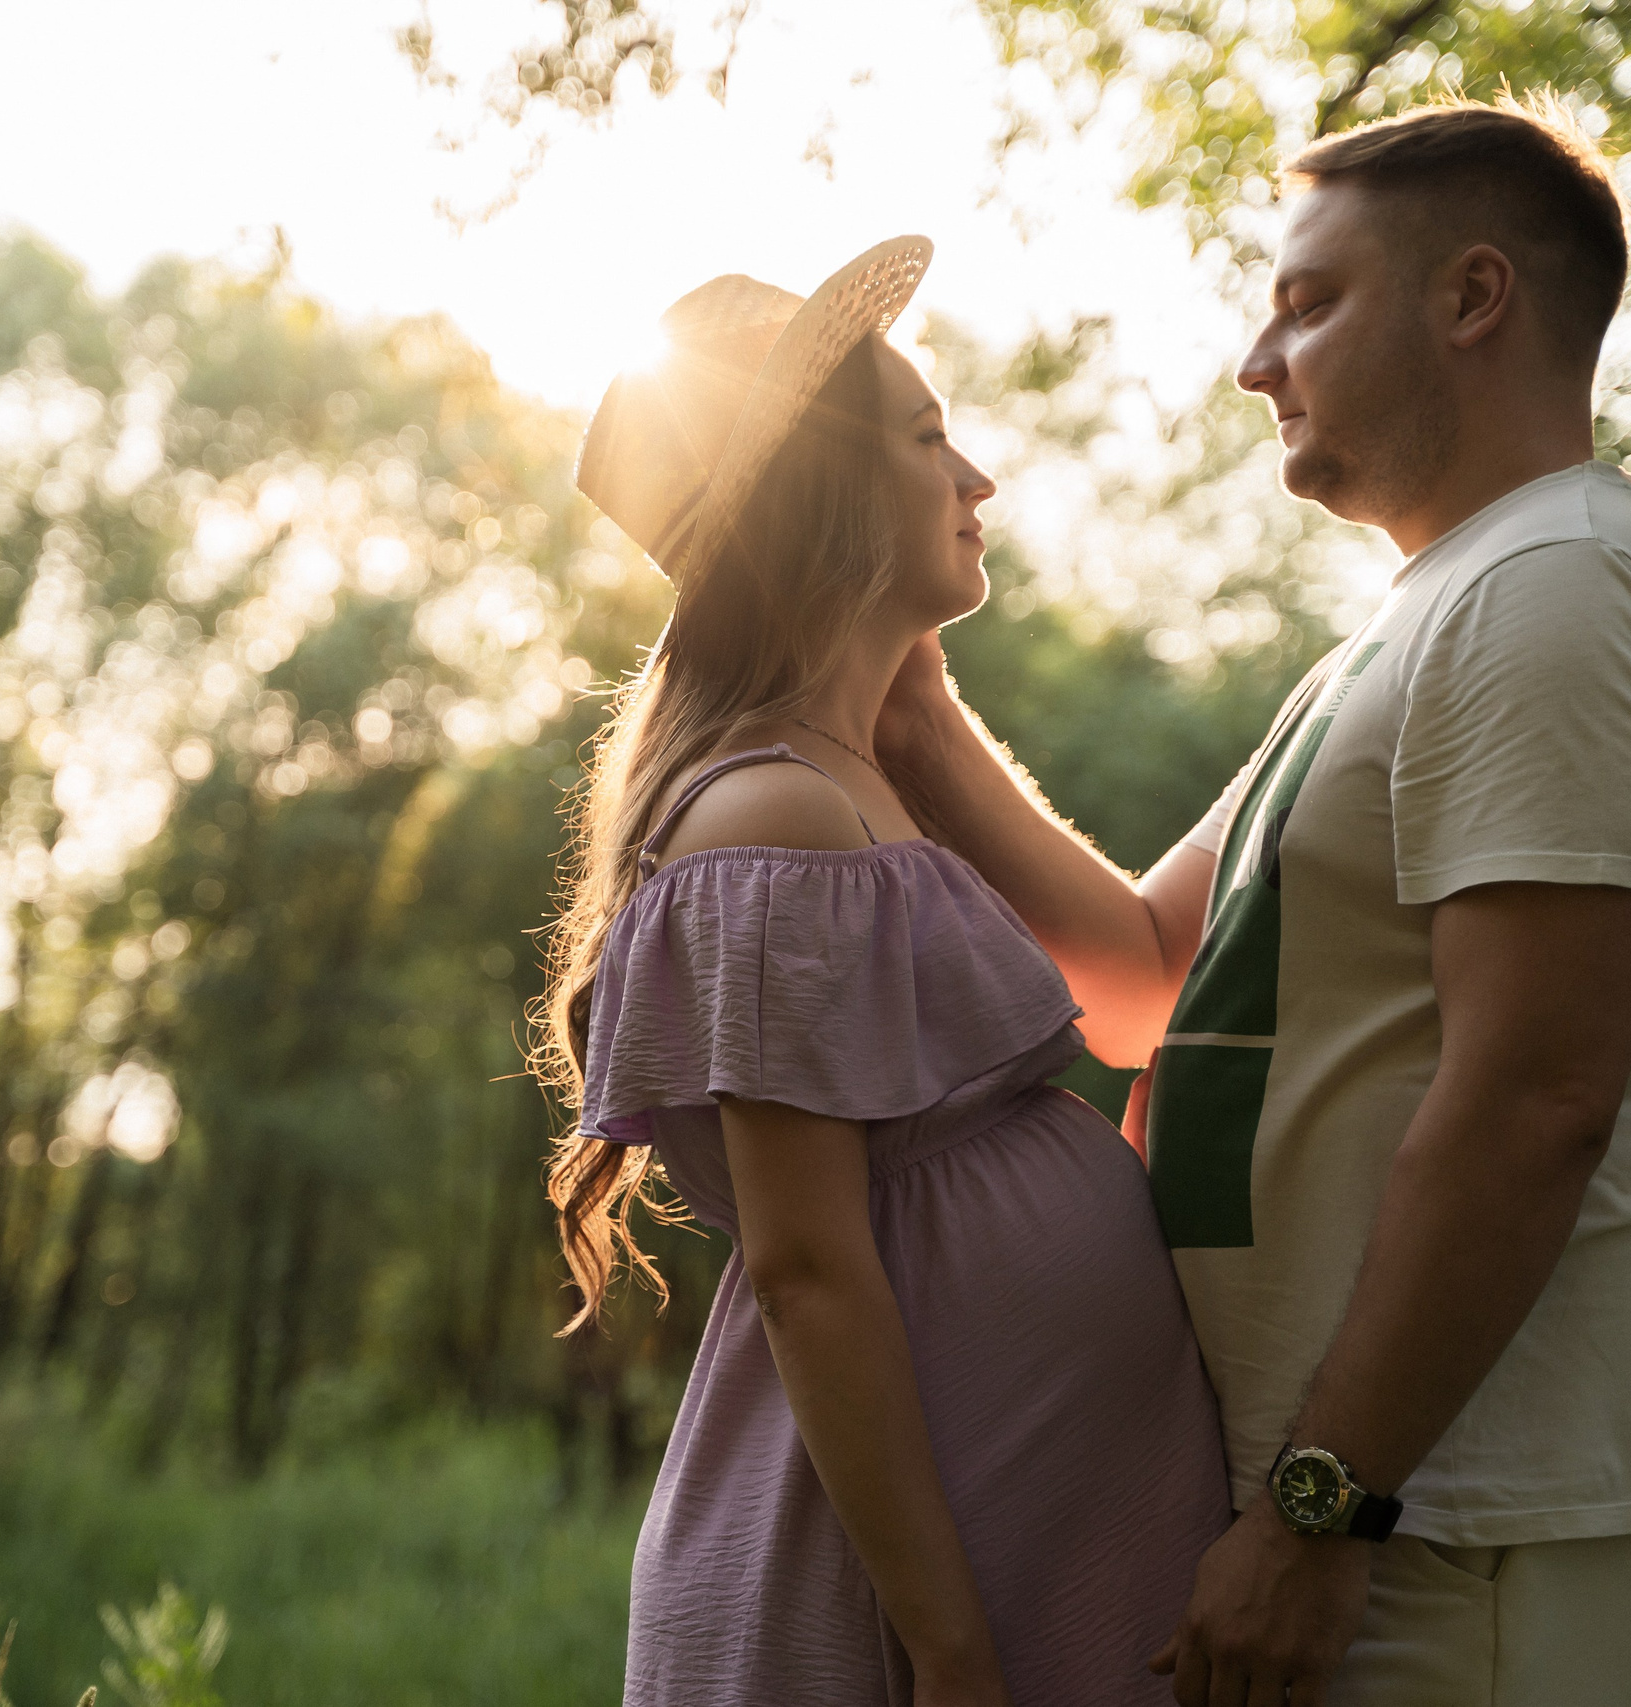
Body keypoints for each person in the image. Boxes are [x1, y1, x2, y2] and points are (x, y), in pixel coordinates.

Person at [877, 96, 1631, 1705]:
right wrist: (915, 704)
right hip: (1389, 1509)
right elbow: (1148, 983)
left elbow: (1533, 1098)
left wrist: (1320, 1509)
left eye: (1306, 302)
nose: (1252, 360)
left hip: (1469, 1517)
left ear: (1473, 298)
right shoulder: (1425, 618)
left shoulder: (1566, 586)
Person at [535, 237, 1229, 1707]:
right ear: (828, 496)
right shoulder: (769, 820)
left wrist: (916, 708)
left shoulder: (852, 784)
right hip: (903, 1608)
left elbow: (1139, 994)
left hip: (1030, 1540)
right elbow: (807, 1268)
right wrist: (950, 1648)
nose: (978, 477)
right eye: (927, 440)